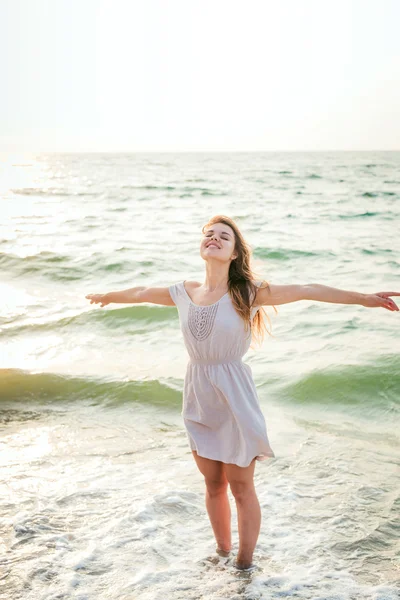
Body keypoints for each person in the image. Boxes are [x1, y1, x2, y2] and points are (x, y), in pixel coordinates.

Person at [85, 215, 399, 571]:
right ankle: (221, 552)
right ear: (202, 246)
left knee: (240, 486)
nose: (214, 239)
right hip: (198, 393)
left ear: (235, 254)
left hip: (234, 393)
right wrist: (108, 296)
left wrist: (365, 299)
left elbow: (309, 288)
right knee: (213, 482)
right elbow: (141, 293)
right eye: (209, 234)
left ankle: (244, 566)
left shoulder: (246, 292)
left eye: (224, 237)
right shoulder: (184, 291)